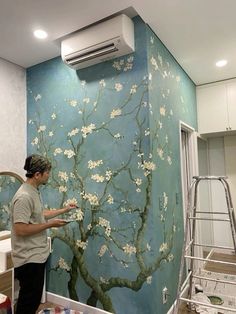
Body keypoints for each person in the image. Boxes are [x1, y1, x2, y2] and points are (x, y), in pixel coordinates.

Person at [10, 154, 76, 314]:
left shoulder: (33, 191)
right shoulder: (24, 196)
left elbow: (39, 214)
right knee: (28, 302)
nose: (49, 175)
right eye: (47, 172)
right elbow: (20, 229)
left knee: (32, 300)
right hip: (28, 259)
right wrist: (51, 225)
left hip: (37, 255)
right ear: (37, 174)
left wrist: (64, 210)